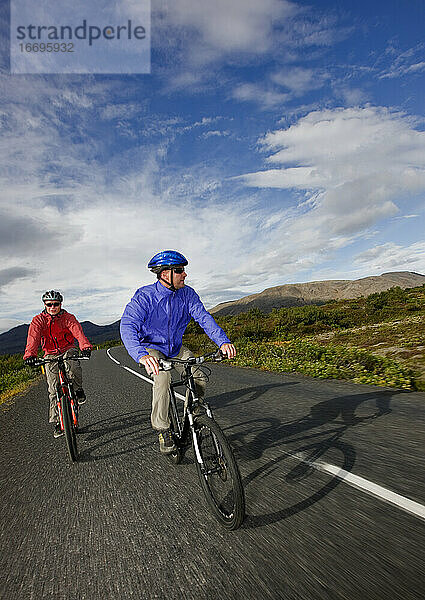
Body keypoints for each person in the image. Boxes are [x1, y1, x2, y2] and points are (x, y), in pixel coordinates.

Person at [120, 250, 236, 454]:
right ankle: (162, 429)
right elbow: (128, 325)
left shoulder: (187, 294)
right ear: (165, 274)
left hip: (175, 347)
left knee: (198, 376)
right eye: (180, 270)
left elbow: (204, 318)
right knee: (162, 378)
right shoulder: (145, 296)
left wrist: (223, 341)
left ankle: (194, 415)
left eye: (184, 270)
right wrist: (142, 355)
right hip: (152, 347)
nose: (185, 274)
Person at [23, 290, 92, 438]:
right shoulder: (38, 320)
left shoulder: (68, 317)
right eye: (49, 304)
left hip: (68, 348)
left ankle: (78, 390)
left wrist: (85, 347)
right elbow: (33, 337)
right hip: (50, 353)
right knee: (53, 389)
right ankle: (57, 422)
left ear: (61, 304)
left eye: (56, 304)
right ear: (44, 305)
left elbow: (77, 332)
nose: (53, 307)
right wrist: (30, 355)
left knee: (73, 367)